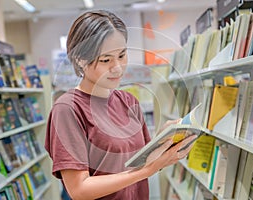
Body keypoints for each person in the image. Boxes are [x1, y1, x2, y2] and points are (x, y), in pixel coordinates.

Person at [45, 10, 197, 200]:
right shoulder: (68, 109)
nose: (117, 67)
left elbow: (137, 162)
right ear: (80, 60)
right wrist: (147, 170)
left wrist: (163, 143)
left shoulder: (128, 101)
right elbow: (79, 190)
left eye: (122, 55)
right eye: (106, 60)